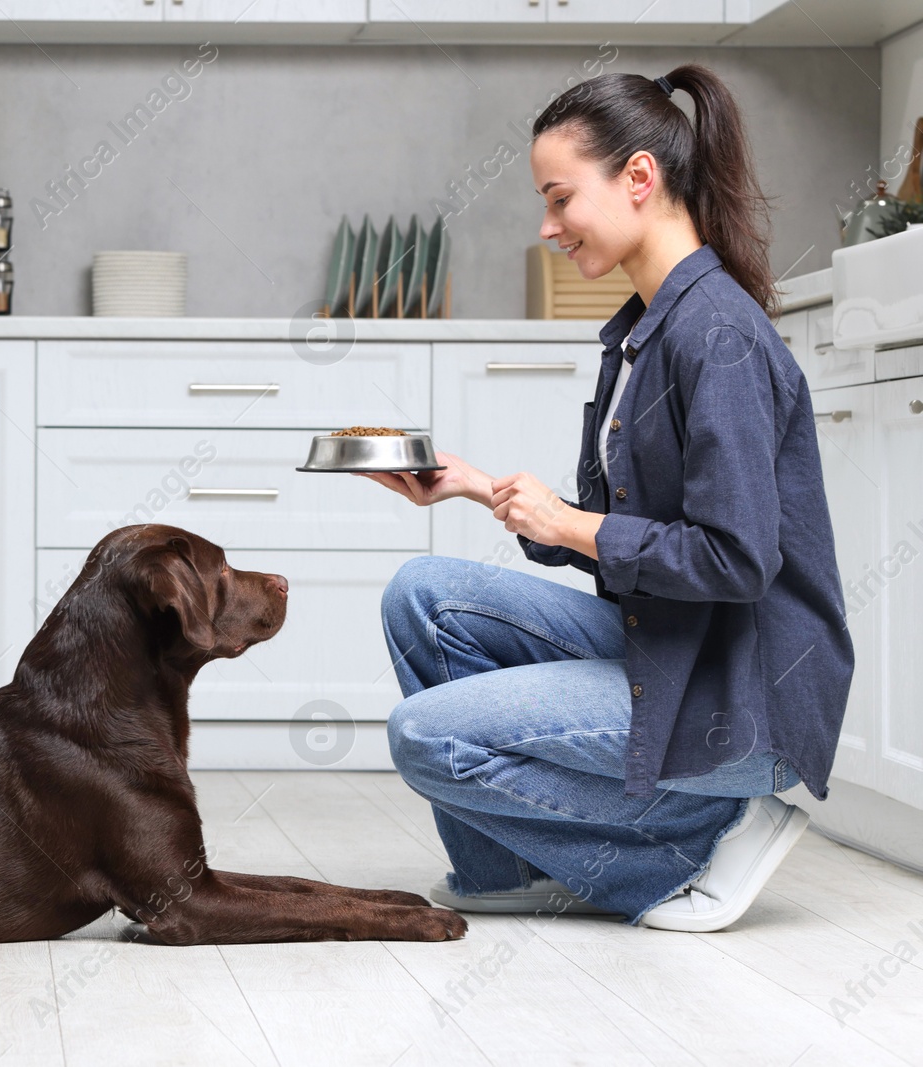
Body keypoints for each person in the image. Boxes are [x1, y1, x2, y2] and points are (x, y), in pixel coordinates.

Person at [359, 65, 854, 931]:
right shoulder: (639, 330)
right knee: (423, 597)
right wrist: (480, 489)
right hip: (671, 645)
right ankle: (505, 868)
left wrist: (569, 521)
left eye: (559, 198)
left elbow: (735, 560)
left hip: (738, 694)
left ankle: (698, 838)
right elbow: (618, 535)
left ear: (637, 177)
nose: (547, 227)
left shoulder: (719, 336)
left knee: (423, 736)